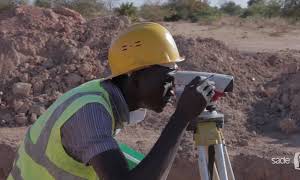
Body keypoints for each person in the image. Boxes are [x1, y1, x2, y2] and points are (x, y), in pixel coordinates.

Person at [8, 22, 215, 180]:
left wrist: (187, 118)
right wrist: (180, 118)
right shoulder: (90, 112)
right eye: (168, 78)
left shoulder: (103, 93)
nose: (173, 87)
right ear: (134, 77)